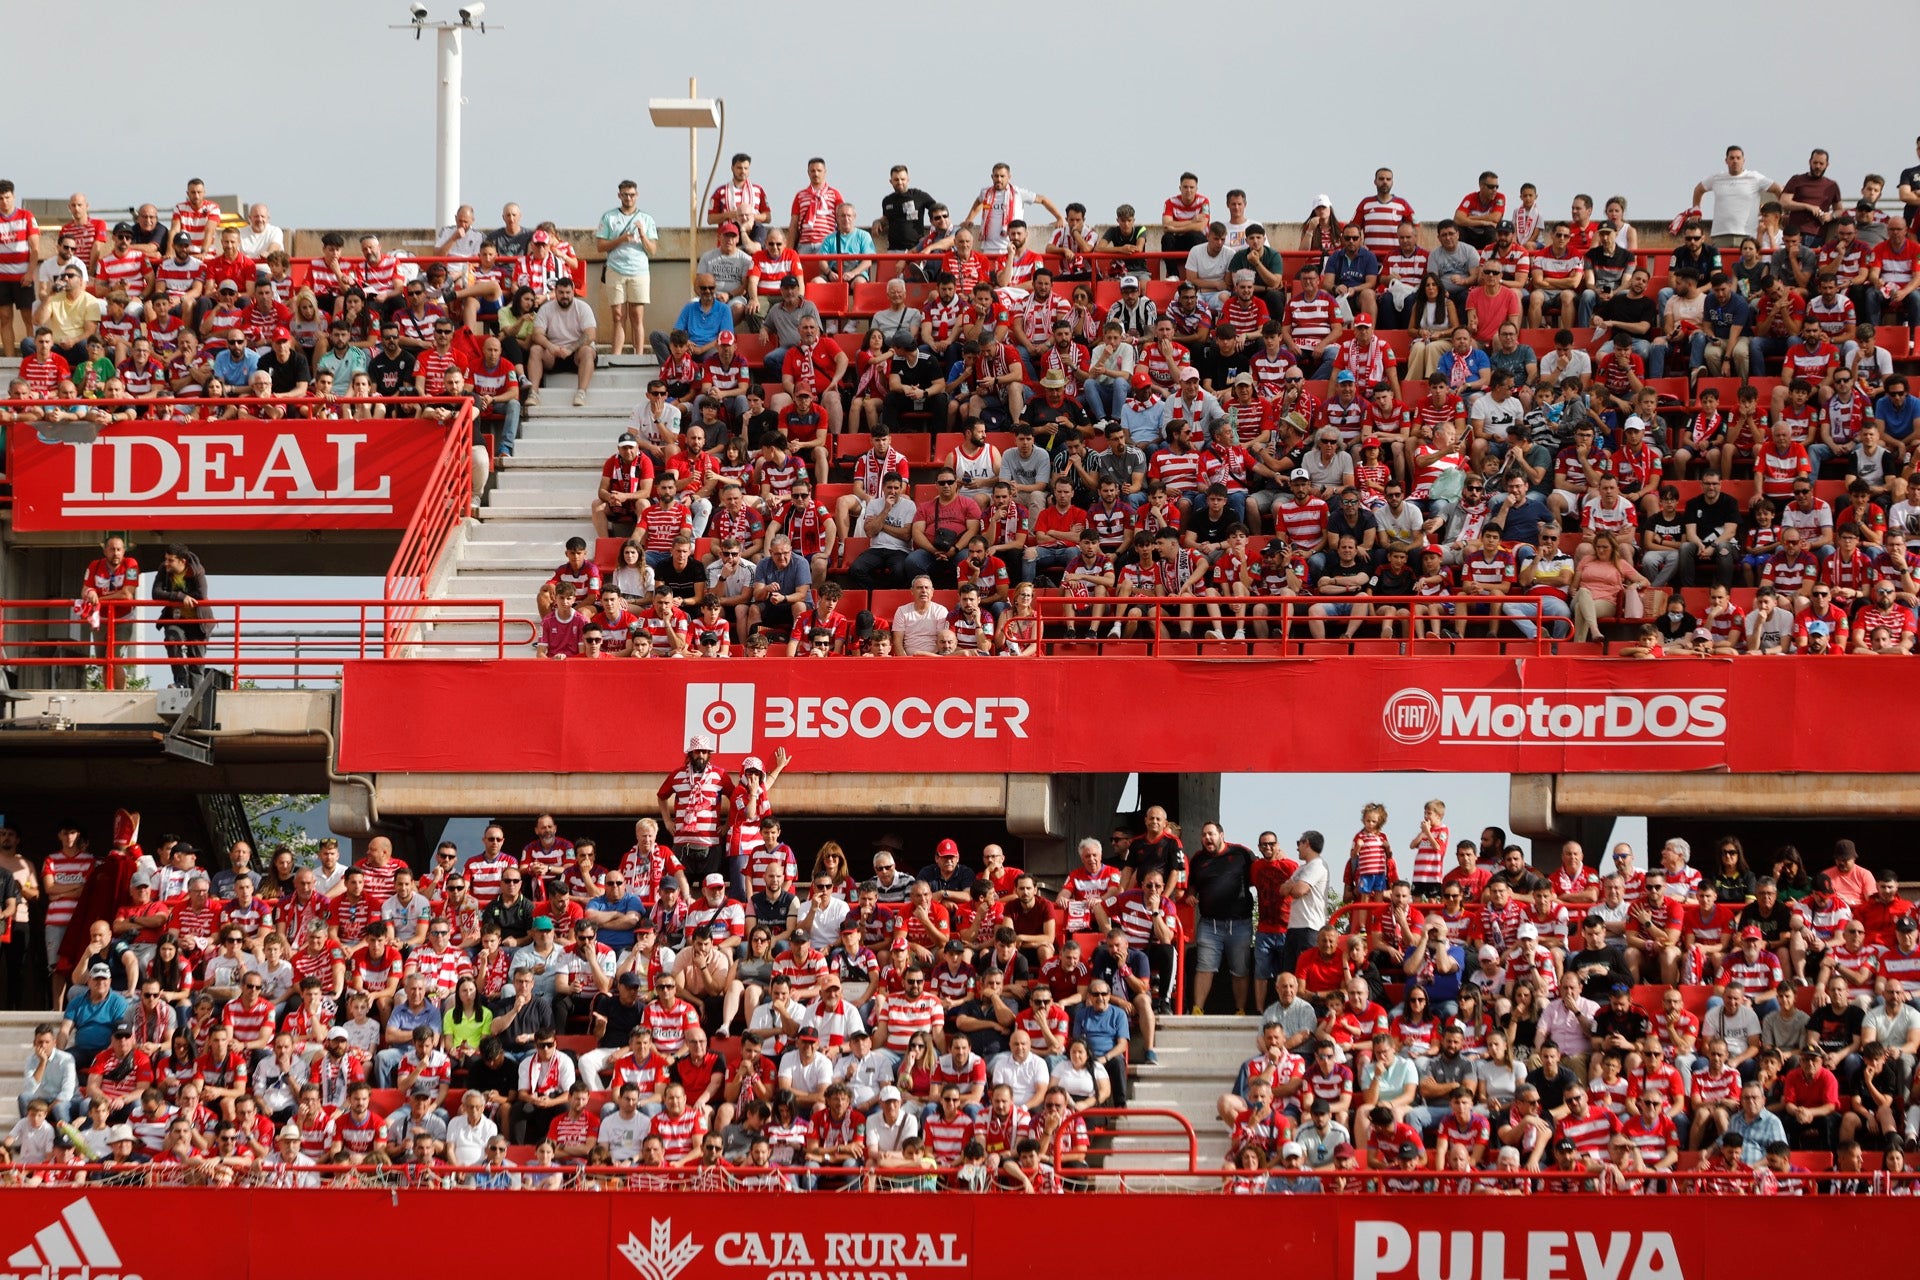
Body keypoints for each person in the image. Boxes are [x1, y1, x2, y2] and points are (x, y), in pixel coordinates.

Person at [595, 179, 659, 355]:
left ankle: (638, 355)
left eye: (631, 195)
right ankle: (617, 355)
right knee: (618, 316)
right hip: (615, 269)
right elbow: (600, 246)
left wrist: (642, 234)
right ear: (619, 196)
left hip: (639, 271)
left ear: (637, 196)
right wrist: (622, 239)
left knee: (637, 316)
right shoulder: (609, 217)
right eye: (625, 195)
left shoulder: (646, 219)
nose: (628, 198)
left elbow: (652, 249)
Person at [524, 276, 597, 409]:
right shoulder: (546, 308)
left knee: (587, 350)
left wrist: (571, 348)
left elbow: (590, 334)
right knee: (535, 349)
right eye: (561, 293)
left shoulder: (583, 307)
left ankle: (581, 393)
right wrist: (550, 346)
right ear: (555, 292)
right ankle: (533, 393)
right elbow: (537, 334)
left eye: (568, 293)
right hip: (554, 354)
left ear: (573, 291)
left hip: (577, 354)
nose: (565, 296)